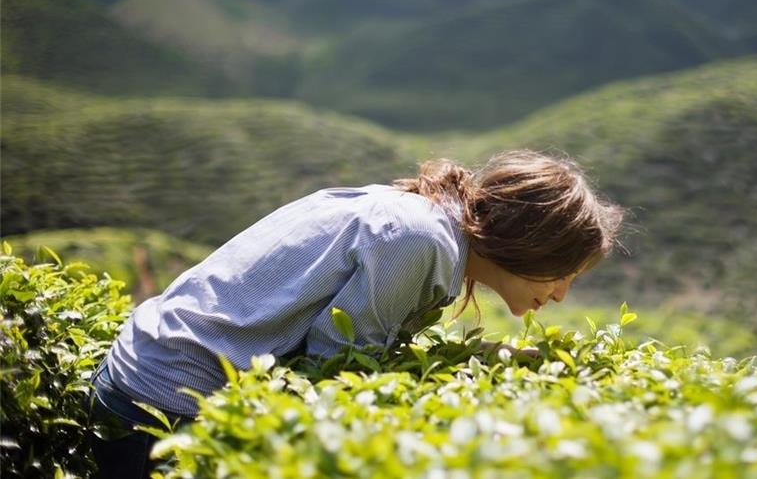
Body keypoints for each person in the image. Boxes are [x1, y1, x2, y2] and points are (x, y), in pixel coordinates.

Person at [88, 149, 623, 478]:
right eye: (564, 273)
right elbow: (338, 368)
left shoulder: (426, 224)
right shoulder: (420, 241)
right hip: (157, 404)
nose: (559, 296)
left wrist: (483, 357)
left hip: (145, 375)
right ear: (531, 247)